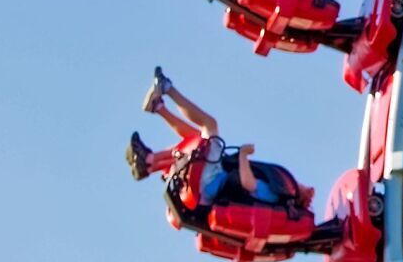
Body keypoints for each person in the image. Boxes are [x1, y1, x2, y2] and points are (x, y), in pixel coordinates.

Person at [126, 69, 311, 211]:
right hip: (210, 184)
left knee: (210, 125)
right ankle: (151, 155)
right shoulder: (282, 193)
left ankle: (166, 88)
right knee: (197, 138)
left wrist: (243, 155)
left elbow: (249, 184)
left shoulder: (280, 193)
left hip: (210, 183)